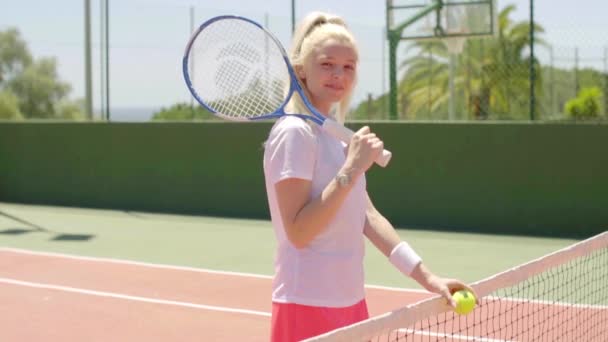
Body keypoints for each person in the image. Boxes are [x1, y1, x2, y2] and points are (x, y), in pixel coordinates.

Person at [262, 11, 476, 342]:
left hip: (351, 303)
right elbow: (299, 232)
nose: (338, 74)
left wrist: (428, 278)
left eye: (348, 66)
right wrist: (351, 169)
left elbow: (369, 217)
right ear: (301, 70)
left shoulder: (334, 136)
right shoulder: (293, 133)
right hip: (305, 303)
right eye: (327, 64)